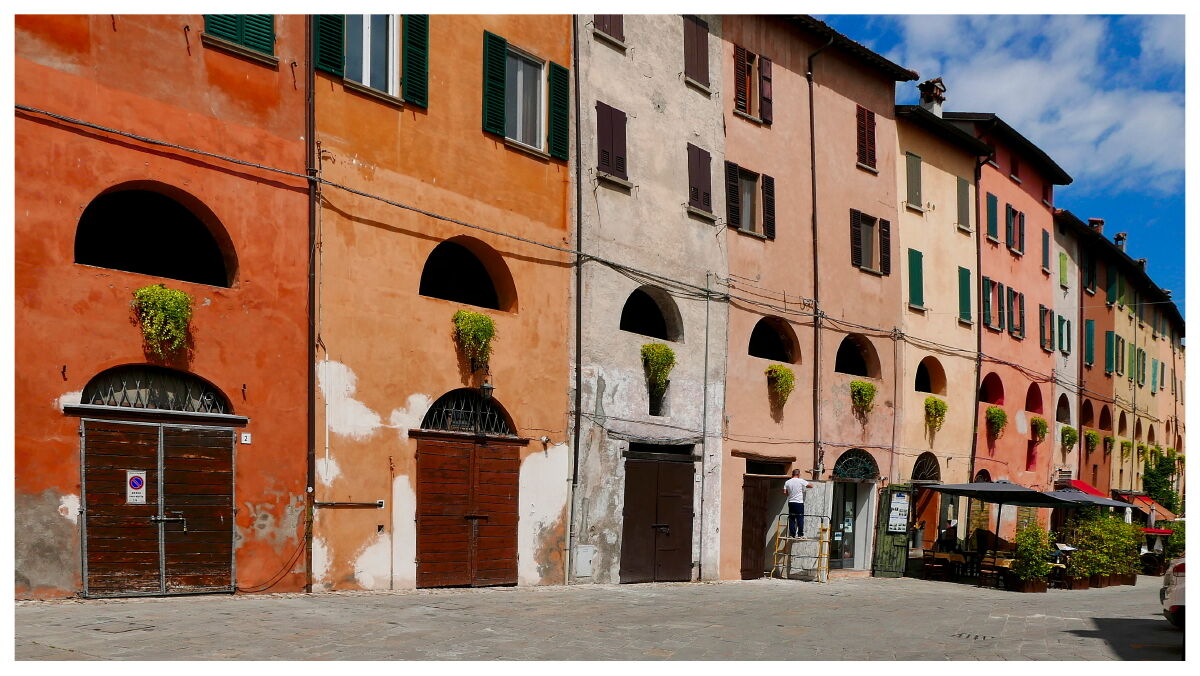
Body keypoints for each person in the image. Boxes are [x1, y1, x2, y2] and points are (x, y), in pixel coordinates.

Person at [783, 469, 810, 538]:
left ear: (792, 474)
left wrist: (790, 494)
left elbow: (785, 492)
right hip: (799, 503)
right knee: (800, 518)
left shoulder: (787, 482)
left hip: (791, 502)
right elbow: (810, 486)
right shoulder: (801, 480)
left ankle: (792, 534)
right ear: (798, 474)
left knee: (792, 518)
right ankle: (800, 535)